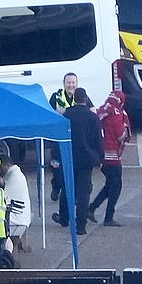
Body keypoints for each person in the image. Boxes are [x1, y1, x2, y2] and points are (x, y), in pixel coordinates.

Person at [52, 88, 103, 235]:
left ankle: (64, 218)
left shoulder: (67, 115)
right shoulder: (92, 117)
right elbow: (98, 139)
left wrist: (56, 156)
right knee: (83, 193)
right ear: (86, 99)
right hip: (87, 160)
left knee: (67, 189)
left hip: (69, 157)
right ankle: (81, 225)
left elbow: (59, 137)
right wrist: (100, 157)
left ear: (74, 98)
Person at [48, 73, 95, 201]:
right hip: (59, 137)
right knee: (57, 168)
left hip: (76, 138)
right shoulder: (56, 96)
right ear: (64, 84)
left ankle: (71, 195)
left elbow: (93, 110)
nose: (71, 85)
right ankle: (56, 187)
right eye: (68, 82)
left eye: (73, 82)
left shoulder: (80, 96)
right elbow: (49, 113)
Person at [88, 90, 131, 227]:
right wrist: (126, 130)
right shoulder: (117, 113)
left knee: (110, 185)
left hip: (101, 154)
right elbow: (120, 135)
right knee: (116, 186)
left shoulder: (102, 110)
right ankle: (108, 217)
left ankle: (92, 208)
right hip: (112, 156)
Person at [0, 155, 32, 252]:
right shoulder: (17, 174)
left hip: (17, 218)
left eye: (0, 166)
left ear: (7, 165)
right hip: (23, 214)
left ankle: (6, 251)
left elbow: (2, 199)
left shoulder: (12, 177)